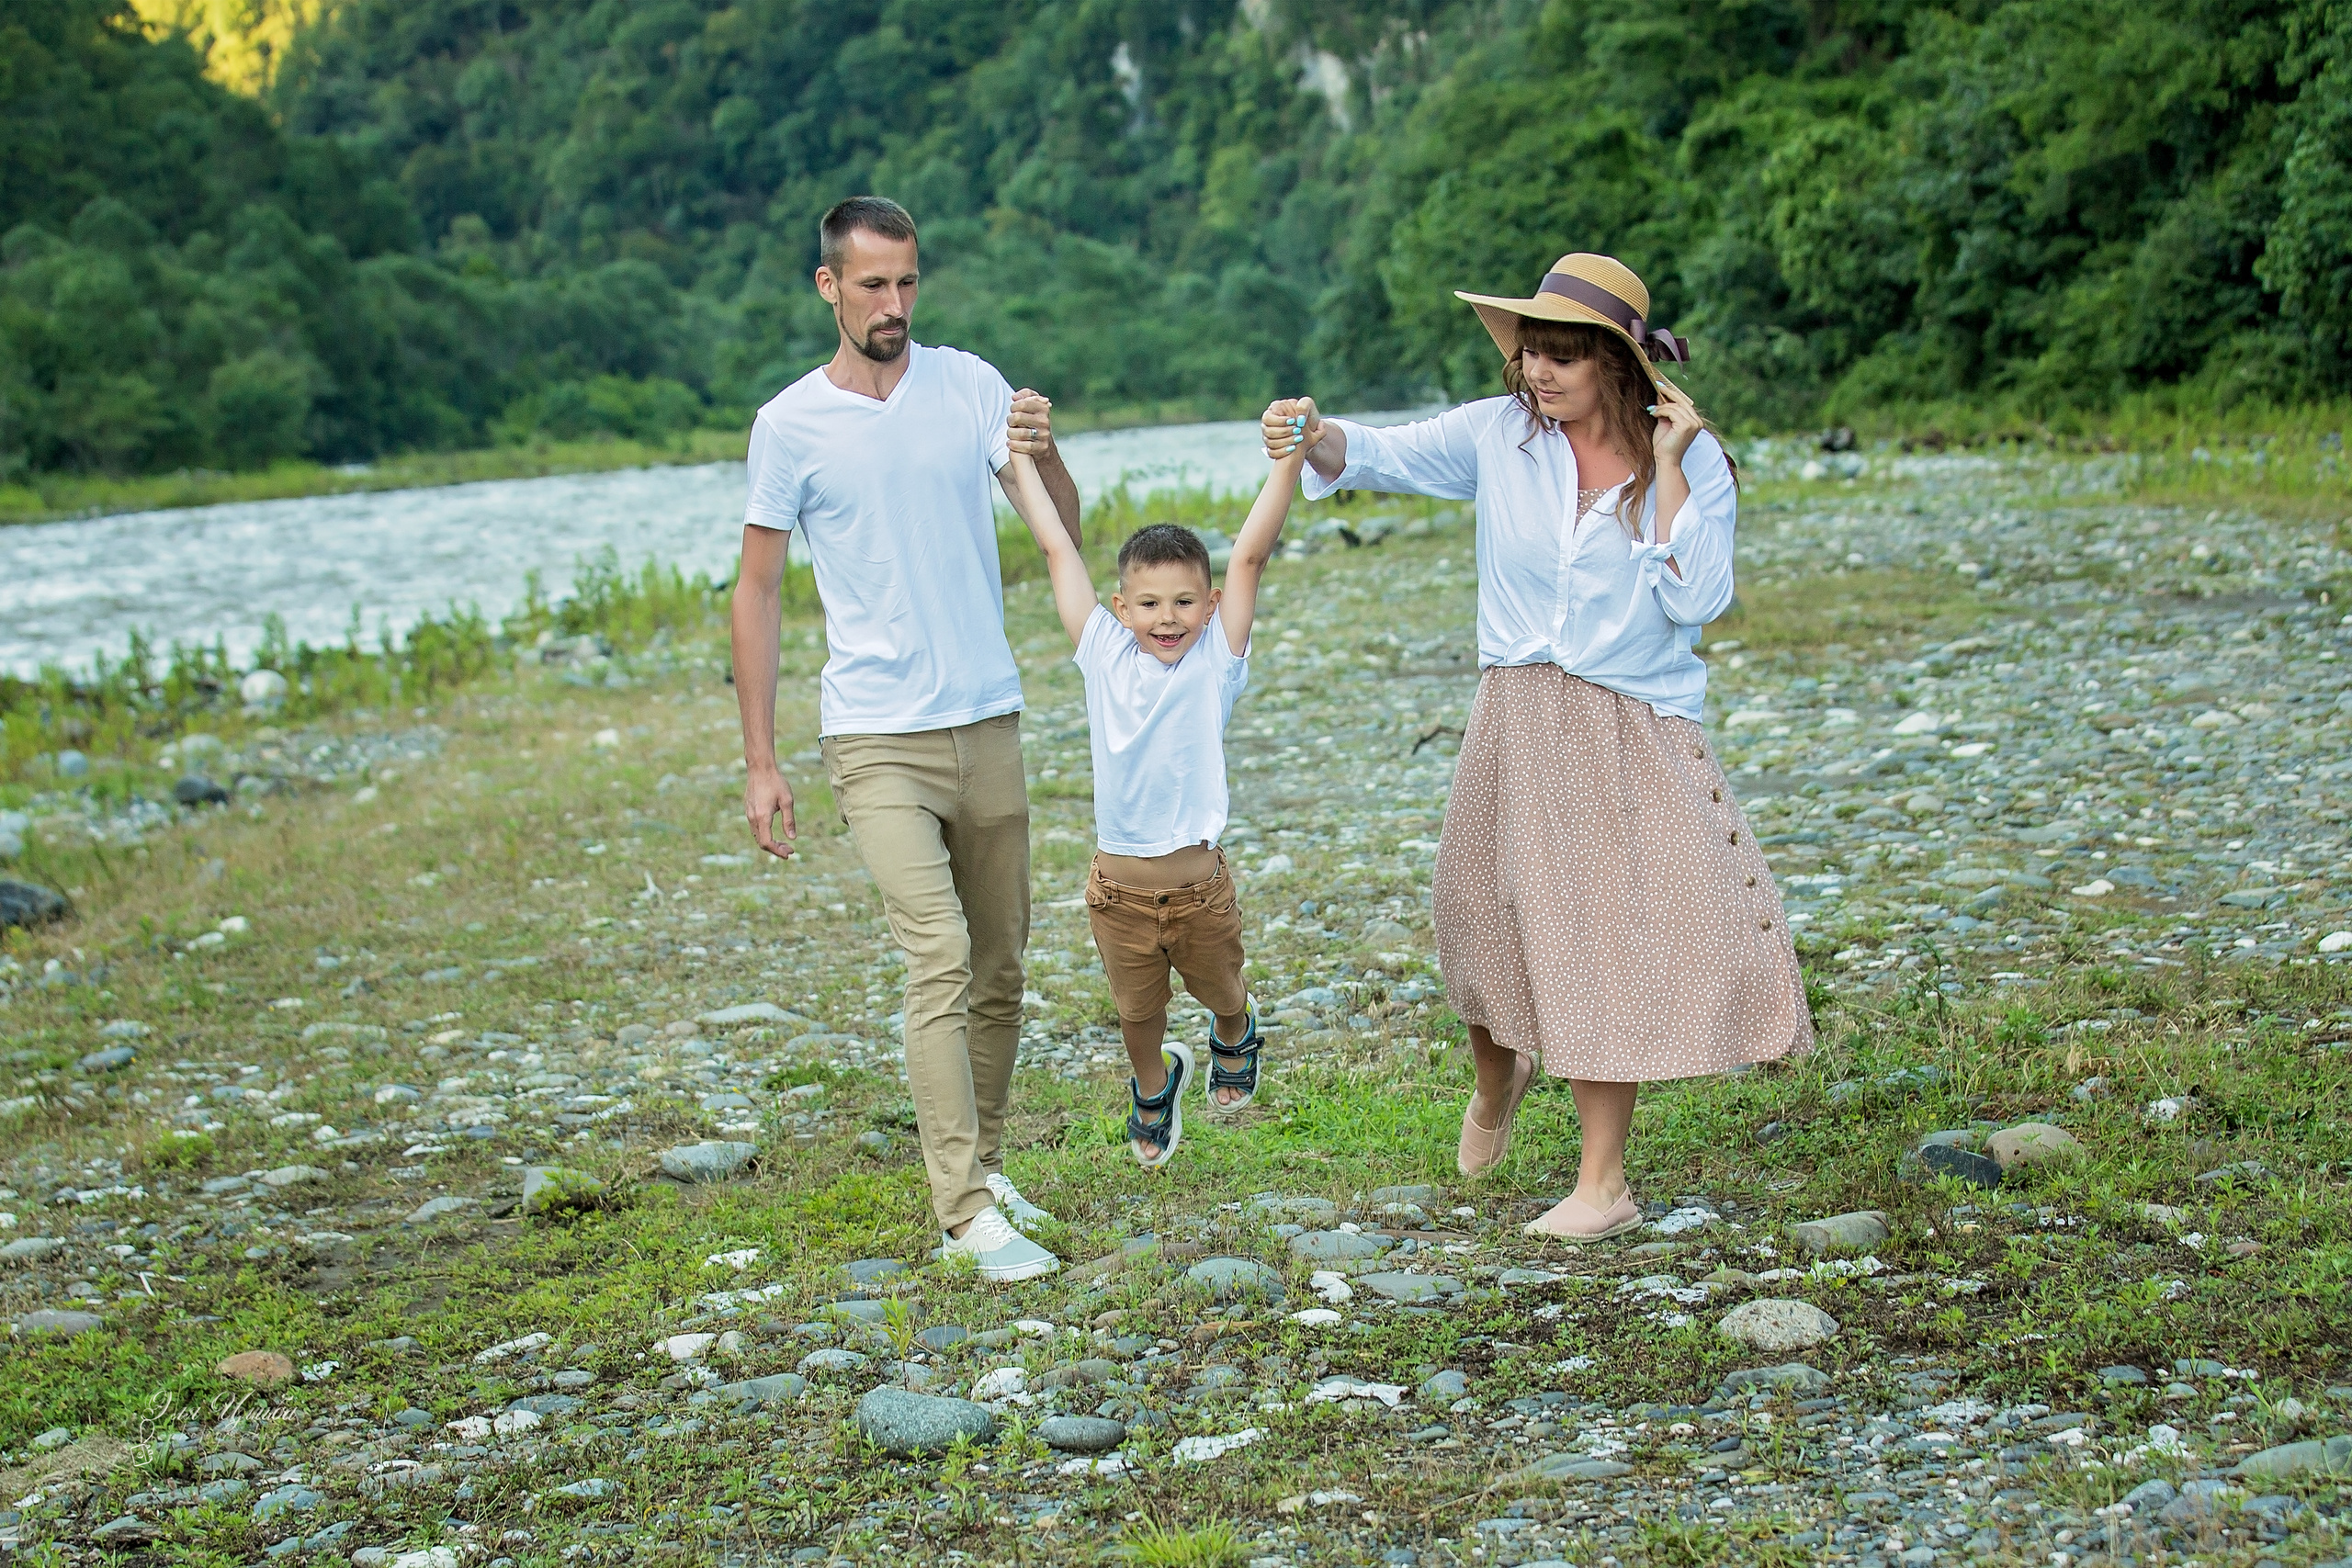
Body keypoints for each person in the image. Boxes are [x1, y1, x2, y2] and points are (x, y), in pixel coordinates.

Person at [1264, 253, 1811, 1239]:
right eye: (1530, 353)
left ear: (1617, 361)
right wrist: (1314, 431)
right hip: (1513, 709)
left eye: (1564, 355)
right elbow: (1375, 455)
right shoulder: (1499, 433)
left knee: (1598, 940)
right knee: (1470, 910)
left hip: (1625, 721)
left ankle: (1602, 1185)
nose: (1540, 373)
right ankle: (1498, 1072)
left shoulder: (1688, 462)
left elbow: (1699, 600)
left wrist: (1676, 468)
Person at [730, 196, 1083, 1282]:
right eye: (872, 285)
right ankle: (964, 1209)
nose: (893, 306)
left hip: (987, 714)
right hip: (875, 735)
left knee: (1001, 965)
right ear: (828, 287)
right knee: (935, 954)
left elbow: (1059, 525)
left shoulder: (970, 384)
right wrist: (761, 760)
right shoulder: (789, 424)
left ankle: (980, 1156)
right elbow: (755, 589)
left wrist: (1044, 446)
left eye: (908, 283)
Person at [1011, 436, 1309, 1168]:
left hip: (1200, 890)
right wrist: (1018, 456)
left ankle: (1235, 1031)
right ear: (1121, 607)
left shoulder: (1216, 661)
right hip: (1117, 894)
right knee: (1136, 1013)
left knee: (1221, 988)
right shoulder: (1104, 655)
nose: (1166, 618)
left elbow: (1249, 556)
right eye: (1147, 603)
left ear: (1210, 607)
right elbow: (1056, 549)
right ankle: (1155, 1082)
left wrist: (1290, 460)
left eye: (1183, 602)